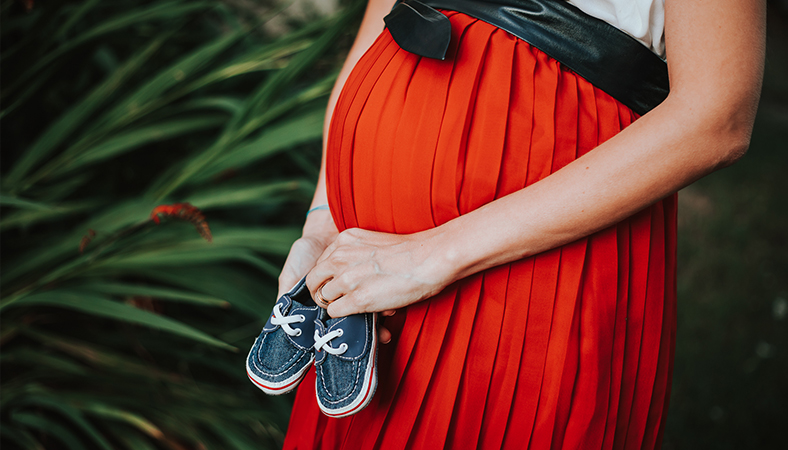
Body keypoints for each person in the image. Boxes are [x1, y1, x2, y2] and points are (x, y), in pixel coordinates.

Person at [276, 0, 765, 448]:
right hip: (365, 266)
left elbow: (716, 116)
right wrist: (323, 222)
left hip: (535, 254)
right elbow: (379, 22)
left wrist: (431, 257)